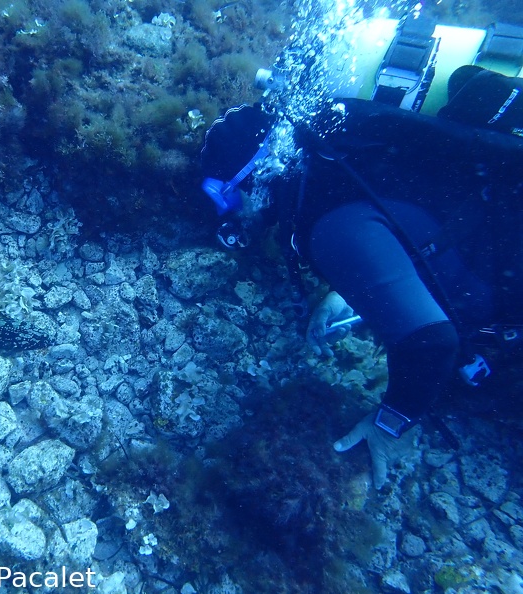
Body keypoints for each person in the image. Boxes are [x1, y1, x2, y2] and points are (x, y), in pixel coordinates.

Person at [200, 61, 523, 489]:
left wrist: (391, 423)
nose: (232, 215)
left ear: (257, 174)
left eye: (224, 197)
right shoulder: (346, 156)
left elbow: (431, 343)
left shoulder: (330, 226)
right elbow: (412, 225)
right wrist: (350, 290)